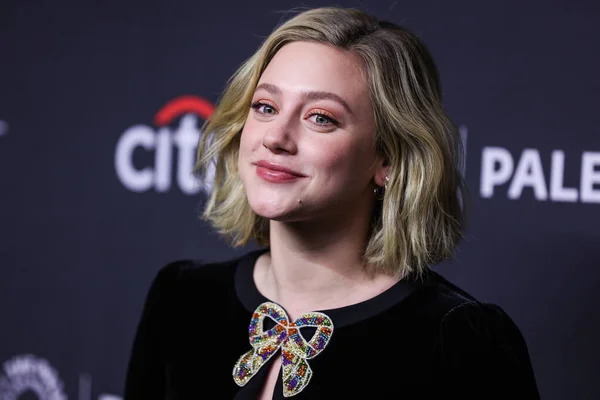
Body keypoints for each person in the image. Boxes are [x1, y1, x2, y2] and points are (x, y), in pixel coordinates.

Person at [123, 6, 540, 399]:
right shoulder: (181, 299)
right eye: (265, 107)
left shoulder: (459, 339)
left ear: (388, 158)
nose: (276, 137)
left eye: (320, 117)